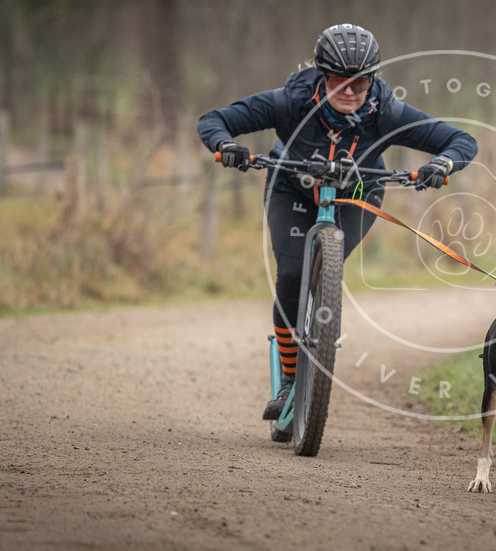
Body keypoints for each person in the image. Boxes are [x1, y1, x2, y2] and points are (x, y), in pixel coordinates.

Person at [197, 23, 478, 437]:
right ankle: (290, 378)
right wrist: (227, 146)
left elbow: (461, 140)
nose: (349, 91)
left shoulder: (387, 113)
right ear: (321, 75)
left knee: (325, 264)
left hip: (358, 193)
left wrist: (441, 164)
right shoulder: (290, 102)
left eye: (360, 82)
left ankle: (321, 319)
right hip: (291, 189)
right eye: (338, 81)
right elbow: (215, 120)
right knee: (292, 273)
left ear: (373, 79)